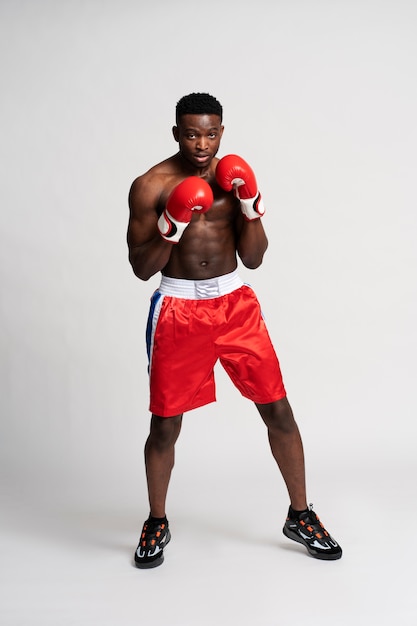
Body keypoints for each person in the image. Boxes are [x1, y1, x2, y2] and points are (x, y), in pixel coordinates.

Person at [127, 92, 342, 568]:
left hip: (235, 305)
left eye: (210, 133)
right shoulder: (150, 185)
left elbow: (255, 258)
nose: (201, 143)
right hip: (179, 307)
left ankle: (300, 514)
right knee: (165, 424)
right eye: (190, 133)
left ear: (222, 131)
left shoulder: (235, 178)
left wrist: (250, 205)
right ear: (176, 133)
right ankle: (156, 520)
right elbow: (141, 267)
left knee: (278, 410)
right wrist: (171, 224)